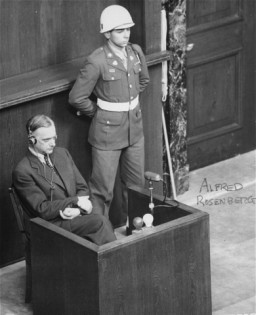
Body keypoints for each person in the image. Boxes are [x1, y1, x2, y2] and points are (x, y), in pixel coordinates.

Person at [69, 5, 150, 223]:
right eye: (119, 30)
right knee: (101, 191)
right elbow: (76, 97)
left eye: (127, 30)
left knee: (136, 187)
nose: (126, 35)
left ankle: (137, 231)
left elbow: (143, 80)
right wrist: (99, 111)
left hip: (135, 130)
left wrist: (127, 102)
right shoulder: (97, 60)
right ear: (107, 33)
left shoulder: (135, 52)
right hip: (106, 132)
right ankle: (101, 240)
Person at [12, 115, 116, 245]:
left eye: (54, 137)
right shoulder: (23, 170)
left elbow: (82, 188)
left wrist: (77, 210)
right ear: (32, 140)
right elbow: (42, 209)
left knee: (104, 224)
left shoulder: (62, 154)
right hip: (49, 224)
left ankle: (102, 262)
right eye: (46, 139)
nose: (53, 143)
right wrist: (74, 201)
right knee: (100, 223)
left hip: (74, 215)